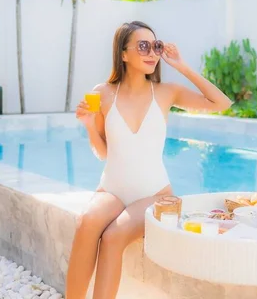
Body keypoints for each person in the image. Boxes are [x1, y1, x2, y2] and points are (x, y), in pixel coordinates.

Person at [66, 21, 232, 299]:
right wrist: (88, 125)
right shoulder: (103, 93)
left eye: (155, 46)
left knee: (112, 238)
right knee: (86, 222)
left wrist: (181, 65)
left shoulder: (167, 92)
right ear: (123, 54)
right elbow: (104, 152)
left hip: (154, 194)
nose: (152, 53)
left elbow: (221, 103)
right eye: (143, 46)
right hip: (112, 189)